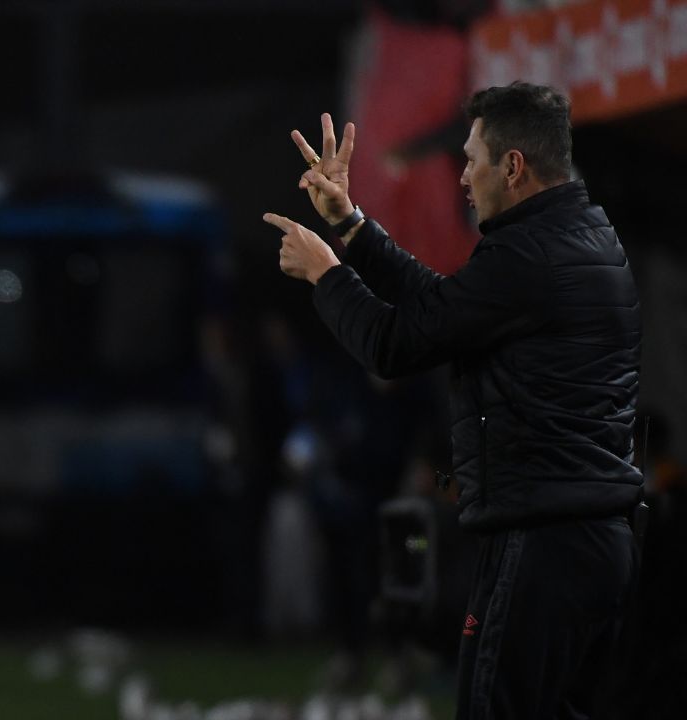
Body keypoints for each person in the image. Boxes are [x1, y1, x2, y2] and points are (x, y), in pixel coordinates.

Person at [262, 83, 641, 718]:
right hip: (595, 544)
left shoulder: (527, 255)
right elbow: (448, 308)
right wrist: (351, 226)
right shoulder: (583, 236)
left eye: (471, 159)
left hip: (539, 544)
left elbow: (395, 346)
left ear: (513, 166)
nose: (461, 176)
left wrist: (326, 274)